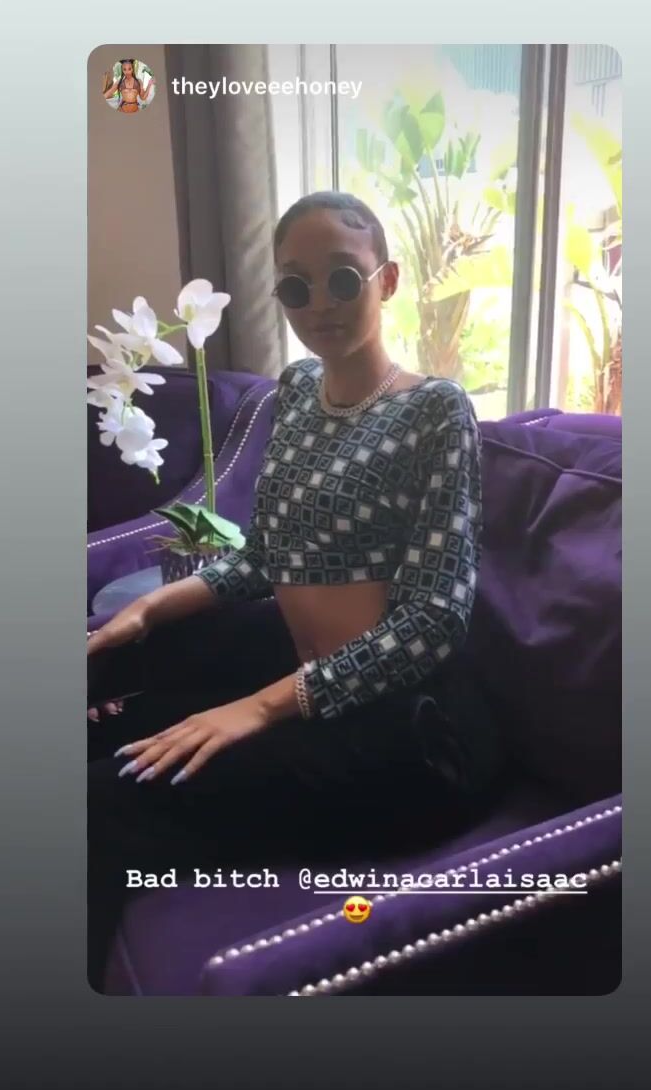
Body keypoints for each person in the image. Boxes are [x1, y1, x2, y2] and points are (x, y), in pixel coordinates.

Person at [86, 191, 507, 991]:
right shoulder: (298, 392)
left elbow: (435, 619)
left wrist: (256, 708)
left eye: (343, 279)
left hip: (408, 728)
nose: (320, 304)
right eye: (295, 286)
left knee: (105, 799)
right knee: (115, 682)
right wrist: (146, 609)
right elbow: (264, 561)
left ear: (386, 281)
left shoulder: (435, 411)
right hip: (303, 681)